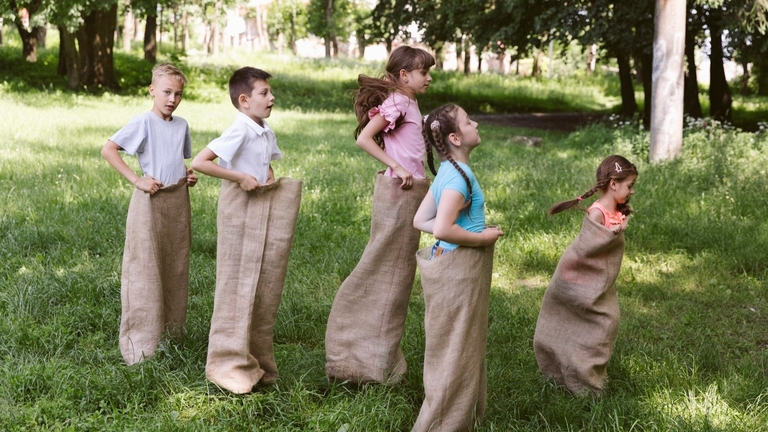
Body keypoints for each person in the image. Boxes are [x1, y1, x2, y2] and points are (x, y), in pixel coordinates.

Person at [325, 45, 435, 384]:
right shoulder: (399, 102)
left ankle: (376, 359)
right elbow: (365, 140)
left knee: (397, 276)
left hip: (410, 192)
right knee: (384, 269)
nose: (429, 78)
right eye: (424, 72)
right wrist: (397, 166)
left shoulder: (410, 102)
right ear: (405, 75)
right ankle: (354, 352)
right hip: (398, 193)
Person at [191, 66, 302, 394]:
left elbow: (266, 162)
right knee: (237, 279)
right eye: (264, 93)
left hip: (261, 206)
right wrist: (240, 177)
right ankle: (226, 361)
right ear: (244, 100)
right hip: (239, 209)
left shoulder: (264, 129)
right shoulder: (239, 129)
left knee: (263, 280)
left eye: (270, 92)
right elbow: (201, 162)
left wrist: (267, 174)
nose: (272, 97)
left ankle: (256, 357)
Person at [411, 103, 504, 431]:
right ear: (455, 137)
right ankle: (443, 422)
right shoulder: (459, 179)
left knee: (455, 344)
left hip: (447, 262)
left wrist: (460, 223)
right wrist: (484, 237)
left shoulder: (450, 170)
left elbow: (419, 219)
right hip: (459, 269)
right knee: (457, 348)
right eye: (468, 121)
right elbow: (440, 229)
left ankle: (461, 414)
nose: (475, 123)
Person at [101, 63, 197, 365]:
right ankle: (141, 341)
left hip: (176, 203)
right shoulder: (143, 122)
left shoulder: (181, 126)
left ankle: (171, 333)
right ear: (152, 90)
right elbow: (109, 149)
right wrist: (137, 180)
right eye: (166, 92)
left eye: (178, 94)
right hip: (150, 203)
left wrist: (188, 174)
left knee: (175, 265)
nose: (172, 99)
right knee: (145, 267)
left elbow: (174, 160)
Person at [533, 155, 638, 398]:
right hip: (580, 283)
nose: (631, 191)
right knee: (600, 323)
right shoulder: (597, 213)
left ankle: (586, 376)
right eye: (629, 185)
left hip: (602, 285)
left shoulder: (615, 211)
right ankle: (581, 383)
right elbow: (587, 249)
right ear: (614, 184)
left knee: (606, 324)